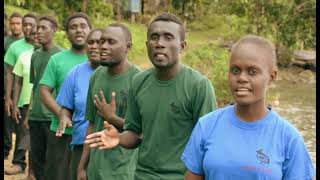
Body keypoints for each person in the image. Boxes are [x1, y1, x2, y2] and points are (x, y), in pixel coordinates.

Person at [85, 13, 217, 180]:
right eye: (154, 37)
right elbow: (134, 133)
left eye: (168, 37)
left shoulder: (198, 86)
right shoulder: (139, 82)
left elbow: (209, 143)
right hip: (142, 175)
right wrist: (118, 138)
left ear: (182, 46)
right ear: (147, 45)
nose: (160, 44)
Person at [181, 35, 316, 180]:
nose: (242, 78)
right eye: (235, 70)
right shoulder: (207, 126)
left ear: (272, 77)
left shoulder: (289, 138)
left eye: (252, 72)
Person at [78, 23, 140, 180]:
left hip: (124, 172)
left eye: (111, 42)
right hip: (95, 169)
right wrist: (82, 166)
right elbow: (91, 124)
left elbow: (144, 132)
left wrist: (113, 119)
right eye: (102, 41)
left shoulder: (139, 80)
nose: (103, 47)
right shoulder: (97, 75)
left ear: (128, 47)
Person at [39, 12, 91, 180]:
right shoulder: (57, 59)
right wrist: (62, 114)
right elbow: (44, 90)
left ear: (90, 30)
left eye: (83, 26)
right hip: (61, 131)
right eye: (73, 27)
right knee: (57, 174)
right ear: (67, 33)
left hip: (88, 134)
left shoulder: (100, 60)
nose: (78, 30)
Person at [55, 28, 102, 180]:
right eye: (90, 42)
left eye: (99, 42)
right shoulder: (75, 73)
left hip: (110, 146)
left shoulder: (122, 74)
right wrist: (64, 117)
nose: (94, 46)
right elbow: (66, 108)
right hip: (81, 143)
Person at [24, 15, 64, 180]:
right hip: (36, 117)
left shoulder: (62, 56)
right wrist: (29, 112)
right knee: (38, 159)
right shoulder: (35, 55)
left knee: (53, 161)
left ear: (54, 31)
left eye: (43, 28)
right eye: (37, 28)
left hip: (53, 117)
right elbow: (35, 87)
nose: (38, 31)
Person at [4, 13, 37, 175]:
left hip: (41, 98)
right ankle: (19, 162)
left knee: (32, 134)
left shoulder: (42, 46)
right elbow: (11, 74)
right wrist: (9, 98)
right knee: (22, 131)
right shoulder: (15, 48)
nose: (28, 28)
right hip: (23, 97)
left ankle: (33, 168)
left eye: (31, 25)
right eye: (25, 25)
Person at [4, 12, 24, 161]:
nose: (15, 26)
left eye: (18, 23)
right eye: (13, 23)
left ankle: (20, 158)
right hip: (7, 86)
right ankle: (5, 150)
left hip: (23, 89)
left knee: (22, 126)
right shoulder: (6, 42)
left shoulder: (30, 42)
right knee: (6, 122)